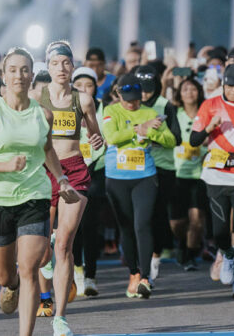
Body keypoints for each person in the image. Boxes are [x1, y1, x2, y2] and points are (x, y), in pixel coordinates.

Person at [0, 47, 82, 336]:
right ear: (4, 76)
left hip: (34, 196)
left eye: (25, 70)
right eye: (13, 70)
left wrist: (61, 179)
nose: (19, 75)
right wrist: (5, 165)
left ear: (32, 75)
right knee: (6, 274)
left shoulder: (43, 114)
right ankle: (11, 285)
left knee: (29, 268)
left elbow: (47, 150)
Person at [35, 41, 102, 332]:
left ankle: (60, 318)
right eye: (55, 63)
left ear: (73, 67)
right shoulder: (36, 97)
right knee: (41, 250)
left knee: (64, 243)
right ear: (48, 67)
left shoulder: (83, 100)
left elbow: (96, 136)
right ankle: (47, 247)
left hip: (74, 170)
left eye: (66, 63)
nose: (61, 68)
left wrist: (97, 139)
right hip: (42, 172)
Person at [188, 63, 234, 298]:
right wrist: (210, 127)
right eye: (230, 87)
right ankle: (227, 253)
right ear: (223, 85)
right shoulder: (210, 105)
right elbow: (193, 140)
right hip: (216, 175)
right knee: (220, 230)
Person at [102, 72, 176, 299]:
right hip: (117, 177)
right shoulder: (111, 111)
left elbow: (171, 140)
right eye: (128, 100)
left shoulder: (151, 113)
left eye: (136, 100)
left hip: (144, 176)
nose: (132, 104)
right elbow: (112, 137)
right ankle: (133, 273)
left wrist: (151, 132)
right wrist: (138, 128)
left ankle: (145, 277)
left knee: (142, 224)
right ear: (118, 95)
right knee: (126, 228)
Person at [134, 64, 182, 285]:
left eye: (149, 88)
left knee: (157, 216)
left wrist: (151, 136)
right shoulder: (129, 105)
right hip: (135, 167)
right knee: (140, 218)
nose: (145, 94)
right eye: (141, 89)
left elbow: (177, 138)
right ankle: (141, 261)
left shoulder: (165, 105)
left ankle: (154, 258)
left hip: (162, 168)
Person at [70, 66, 107, 297]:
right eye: (79, 85)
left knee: (91, 225)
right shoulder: (64, 106)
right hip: (70, 172)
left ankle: (91, 275)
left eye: (89, 85)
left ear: (96, 87)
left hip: (96, 172)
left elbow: (108, 137)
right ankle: (77, 271)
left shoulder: (104, 108)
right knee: (73, 227)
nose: (84, 89)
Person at [171, 78, 208, 272]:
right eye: (185, 89)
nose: (189, 93)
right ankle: (182, 244)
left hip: (199, 174)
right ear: (179, 93)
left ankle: (190, 255)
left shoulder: (205, 113)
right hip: (177, 173)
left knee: (196, 219)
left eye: (193, 89)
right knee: (177, 223)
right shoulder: (174, 113)